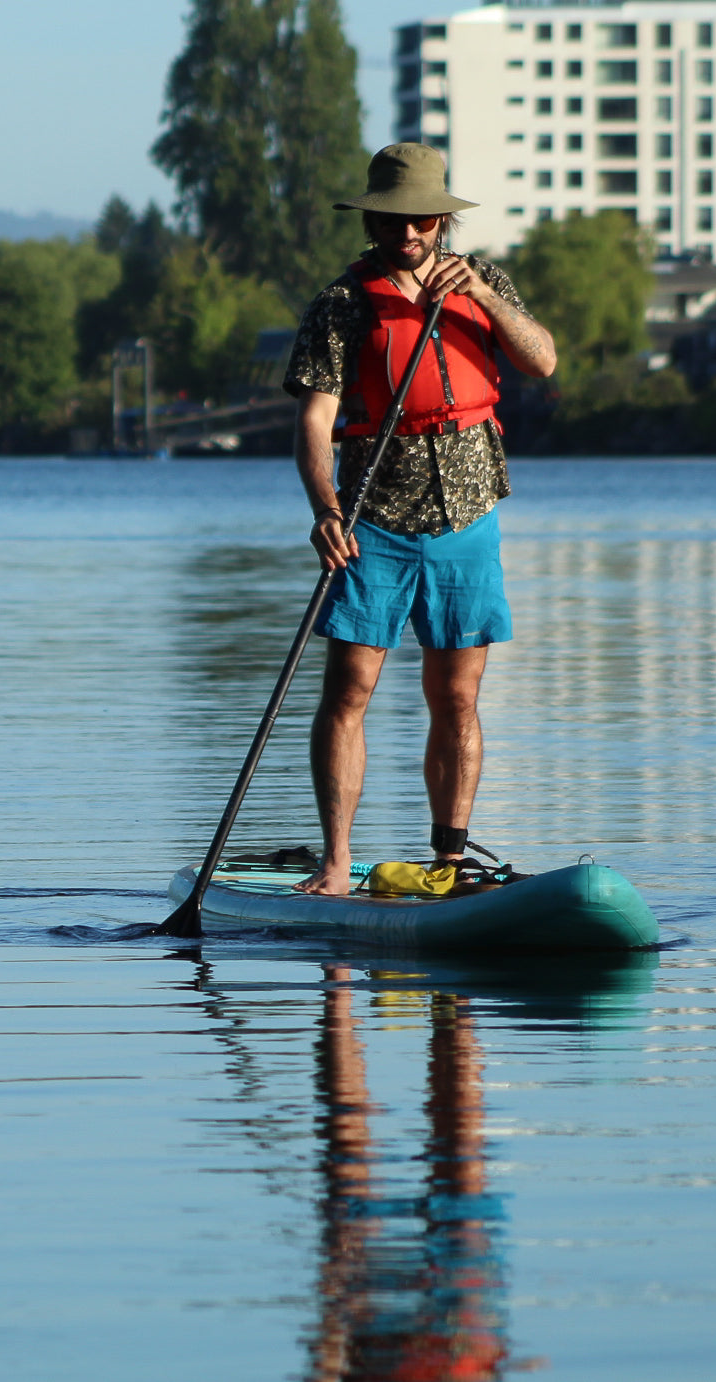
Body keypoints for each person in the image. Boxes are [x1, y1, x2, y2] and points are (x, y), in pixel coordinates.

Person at [283, 143, 556, 896]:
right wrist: (324, 508)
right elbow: (315, 421)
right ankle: (336, 863)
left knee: (458, 697)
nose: (409, 232)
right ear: (372, 218)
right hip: (373, 517)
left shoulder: (485, 282)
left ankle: (451, 863)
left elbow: (543, 360)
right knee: (349, 690)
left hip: (468, 514)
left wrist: (489, 300)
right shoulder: (342, 304)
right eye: (394, 218)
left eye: (423, 219)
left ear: (443, 219)